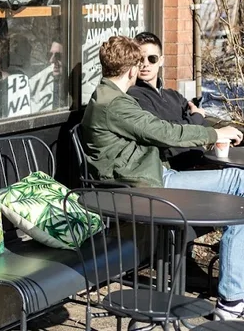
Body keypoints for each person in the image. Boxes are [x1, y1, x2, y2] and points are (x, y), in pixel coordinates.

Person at [82, 35, 244, 320]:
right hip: (146, 188)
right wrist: (216, 133)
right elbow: (165, 132)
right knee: (239, 183)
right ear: (132, 70)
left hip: (148, 178)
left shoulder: (104, 96)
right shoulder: (118, 105)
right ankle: (230, 301)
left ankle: (233, 292)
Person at [128, 32, 212, 170]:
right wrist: (196, 117)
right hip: (174, 169)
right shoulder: (133, 95)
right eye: (140, 59)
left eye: (152, 59)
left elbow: (203, 122)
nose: (145, 64)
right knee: (237, 179)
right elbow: (165, 130)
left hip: (199, 160)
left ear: (161, 61)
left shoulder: (173, 96)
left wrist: (220, 136)